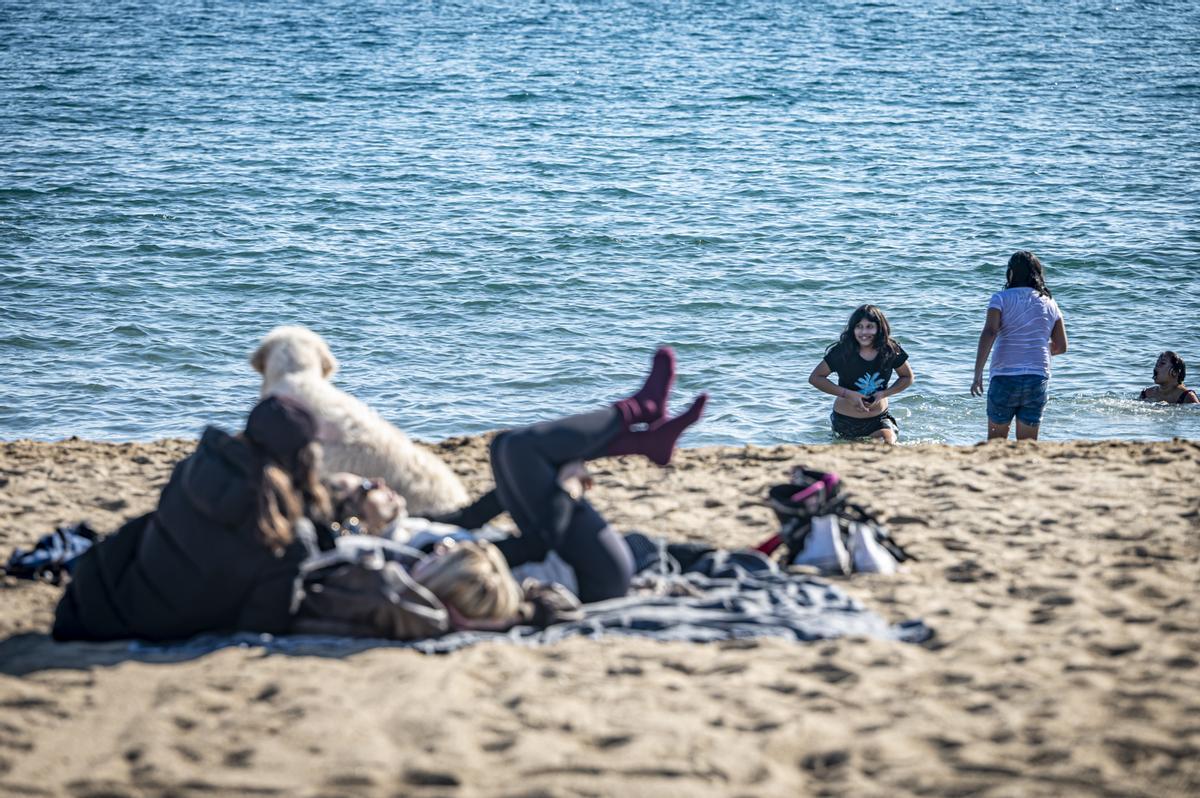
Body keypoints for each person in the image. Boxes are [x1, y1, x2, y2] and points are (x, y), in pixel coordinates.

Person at [435, 347, 709, 603]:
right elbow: (537, 546)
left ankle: (645, 439)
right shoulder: (429, 562)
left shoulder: (413, 534)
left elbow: (468, 519)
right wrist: (567, 489)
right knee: (520, 449)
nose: (389, 489)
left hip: (574, 559)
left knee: (502, 446)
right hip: (594, 577)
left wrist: (532, 479)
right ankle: (639, 410)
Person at [53, 395, 335, 642]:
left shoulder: (193, 470)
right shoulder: (287, 536)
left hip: (93, 601)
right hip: (154, 629)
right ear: (302, 457)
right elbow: (263, 625)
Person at [971, 251, 1068, 441]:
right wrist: (1035, 347)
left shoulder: (1000, 298)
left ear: (1011, 273)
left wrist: (978, 373)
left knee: (996, 441)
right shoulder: (1050, 302)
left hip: (1005, 375)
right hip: (1037, 376)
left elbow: (990, 332)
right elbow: (1061, 346)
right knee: (1027, 444)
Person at [807, 305, 914, 444]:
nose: (864, 332)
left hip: (879, 419)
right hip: (845, 420)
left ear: (879, 328)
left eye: (870, 326)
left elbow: (907, 377)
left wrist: (883, 394)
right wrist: (848, 394)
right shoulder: (842, 352)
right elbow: (815, 378)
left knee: (888, 443)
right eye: (859, 326)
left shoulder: (889, 350)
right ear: (853, 329)